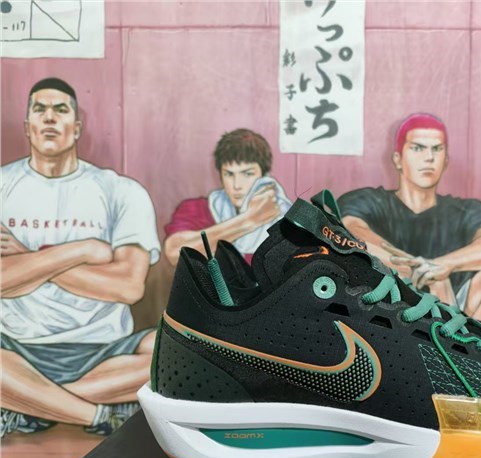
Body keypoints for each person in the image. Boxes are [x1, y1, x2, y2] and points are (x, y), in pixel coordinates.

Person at [1, 77, 161, 437]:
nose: (49, 117)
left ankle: (27, 403)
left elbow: (128, 287)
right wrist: (83, 250)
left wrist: (26, 258)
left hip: (106, 350)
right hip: (16, 348)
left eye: (60, 109)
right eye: (40, 109)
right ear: (27, 127)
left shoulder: (121, 191)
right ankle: (96, 415)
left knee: (174, 354)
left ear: (76, 127)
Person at [338, 113, 481, 328]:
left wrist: (442, 266)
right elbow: (351, 231)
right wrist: (420, 272)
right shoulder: (366, 200)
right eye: (418, 148)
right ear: (398, 159)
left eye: (437, 149)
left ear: (446, 160)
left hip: (461, 312)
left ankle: (475, 347)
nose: (429, 158)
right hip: (388, 303)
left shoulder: (467, 209)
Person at [164, 128, 292, 266]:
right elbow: (174, 254)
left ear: (264, 176)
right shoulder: (199, 209)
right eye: (229, 174)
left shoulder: (284, 217)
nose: (237, 185)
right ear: (220, 175)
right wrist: (249, 220)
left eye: (247, 174)